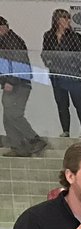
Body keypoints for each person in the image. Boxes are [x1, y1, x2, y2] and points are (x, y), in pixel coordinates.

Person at [0, 16, 46, 158]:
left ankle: (34, 139)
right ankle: (18, 147)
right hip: (14, 83)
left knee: (13, 114)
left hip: (18, 84)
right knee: (8, 117)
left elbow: (19, 63)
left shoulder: (12, 41)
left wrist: (10, 81)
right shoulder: (6, 41)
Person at [41, 9, 81, 137]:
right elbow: (45, 54)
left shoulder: (75, 36)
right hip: (57, 75)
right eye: (65, 18)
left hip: (72, 74)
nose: (68, 21)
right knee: (62, 104)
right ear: (58, 20)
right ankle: (65, 130)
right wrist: (50, 63)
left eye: (69, 19)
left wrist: (72, 64)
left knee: (79, 103)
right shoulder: (49, 36)